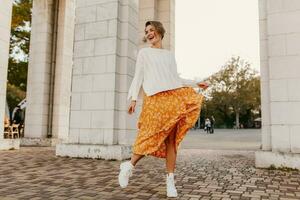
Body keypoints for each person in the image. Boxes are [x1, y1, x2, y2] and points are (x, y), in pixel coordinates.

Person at [118, 21, 209, 198]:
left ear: (159, 31)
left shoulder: (169, 55)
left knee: (171, 142)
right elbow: (138, 76)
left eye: (151, 30)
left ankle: (170, 182)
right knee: (149, 135)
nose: (149, 33)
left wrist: (196, 83)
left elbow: (175, 79)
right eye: (146, 31)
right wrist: (134, 99)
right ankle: (129, 166)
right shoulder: (144, 53)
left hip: (172, 98)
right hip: (154, 99)